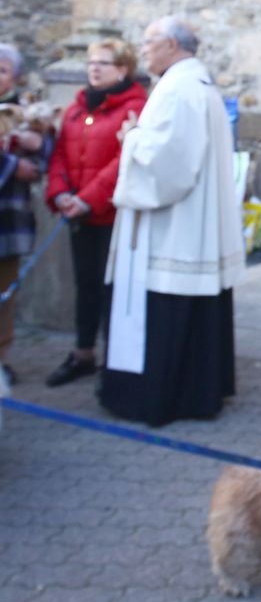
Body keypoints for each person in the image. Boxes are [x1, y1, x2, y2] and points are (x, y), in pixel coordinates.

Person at [99, 17, 245, 427]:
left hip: (174, 231)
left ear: (171, 45)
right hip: (192, 226)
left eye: (149, 42)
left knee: (165, 312)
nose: (143, 49)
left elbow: (170, 165)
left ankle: (158, 399)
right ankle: (199, 393)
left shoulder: (178, 90)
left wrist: (131, 139)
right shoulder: (197, 85)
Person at [43, 38, 148, 386]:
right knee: (85, 286)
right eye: (91, 62)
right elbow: (59, 153)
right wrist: (60, 194)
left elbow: (124, 162)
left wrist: (87, 198)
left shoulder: (135, 108)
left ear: (122, 69)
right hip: (79, 215)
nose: (94, 68)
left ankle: (116, 360)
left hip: (112, 217)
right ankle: (83, 353)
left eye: (103, 63)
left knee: (112, 290)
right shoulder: (75, 108)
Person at [0, 42, 54, 386]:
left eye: (3, 70)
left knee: (5, 293)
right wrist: (12, 165)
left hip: (9, 218)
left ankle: (1, 358)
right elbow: (20, 166)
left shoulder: (27, 113)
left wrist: (36, 151)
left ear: (16, 78)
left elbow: (43, 158)